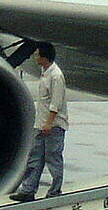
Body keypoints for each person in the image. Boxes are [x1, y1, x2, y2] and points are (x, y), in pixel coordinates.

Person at [12, 42, 67, 201]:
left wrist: (48, 123)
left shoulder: (56, 76)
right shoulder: (45, 72)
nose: (34, 56)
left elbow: (56, 103)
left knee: (53, 158)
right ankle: (28, 191)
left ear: (44, 57)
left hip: (53, 126)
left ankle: (55, 191)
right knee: (35, 158)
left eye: (36, 54)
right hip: (41, 124)